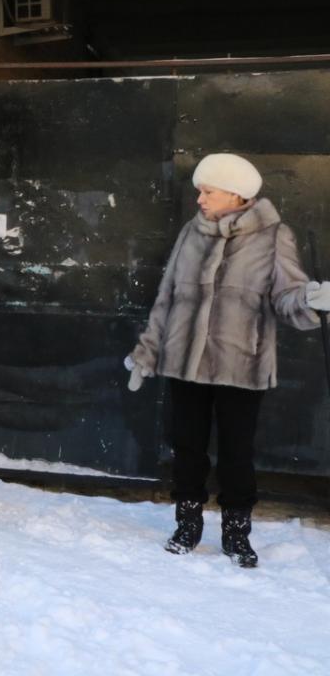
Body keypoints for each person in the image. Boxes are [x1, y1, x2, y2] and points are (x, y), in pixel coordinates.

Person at [125, 153, 330, 567]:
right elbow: (167, 298)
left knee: (237, 453)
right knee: (187, 448)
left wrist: (311, 299)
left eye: (208, 191)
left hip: (243, 364)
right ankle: (188, 524)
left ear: (235, 194)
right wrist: (146, 352)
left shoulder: (274, 236)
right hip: (185, 362)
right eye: (199, 191)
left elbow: (286, 297)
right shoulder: (190, 233)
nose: (199, 199)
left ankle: (237, 534)